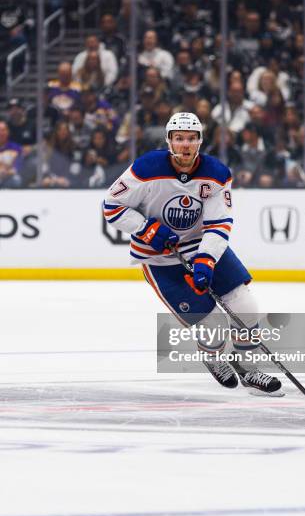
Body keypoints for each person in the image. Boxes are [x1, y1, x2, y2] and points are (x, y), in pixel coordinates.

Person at [103, 111, 282, 395]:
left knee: (246, 307)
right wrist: (147, 229)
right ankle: (213, 358)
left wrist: (206, 258)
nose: (185, 144)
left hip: (201, 245)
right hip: (159, 257)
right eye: (179, 138)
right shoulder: (146, 168)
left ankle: (249, 369)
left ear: (199, 141)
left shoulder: (216, 173)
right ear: (169, 141)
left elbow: (218, 222)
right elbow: (112, 206)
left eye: (190, 138)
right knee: (211, 323)